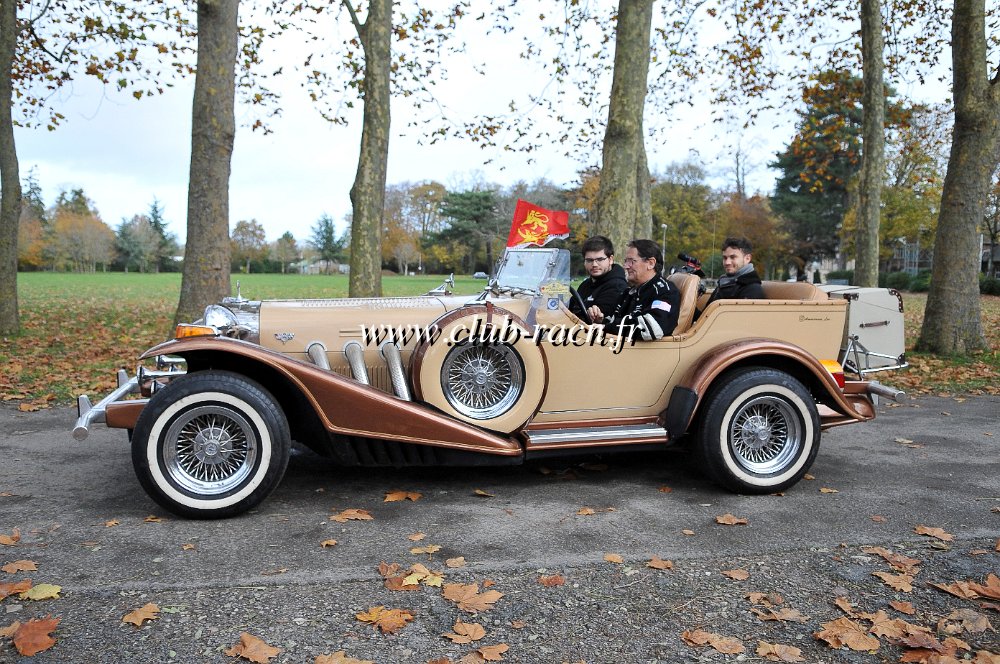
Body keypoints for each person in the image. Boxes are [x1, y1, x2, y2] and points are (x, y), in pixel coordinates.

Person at [591, 239, 680, 341]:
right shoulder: (629, 292)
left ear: (651, 263)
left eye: (631, 261)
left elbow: (651, 328)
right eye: (626, 261)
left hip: (646, 351)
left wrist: (605, 328)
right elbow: (615, 320)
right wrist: (600, 321)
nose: (626, 266)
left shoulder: (665, 292)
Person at [696, 237, 764, 319]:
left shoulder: (752, 289)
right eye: (725, 258)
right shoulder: (724, 283)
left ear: (747, 258)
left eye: (733, 257)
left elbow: (740, 323)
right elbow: (704, 318)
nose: (727, 262)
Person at [568, 235, 628, 321]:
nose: (594, 265)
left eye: (600, 259)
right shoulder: (586, 284)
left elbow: (598, 320)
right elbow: (570, 309)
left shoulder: (617, 286)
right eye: (589, 260)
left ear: (610, 259)